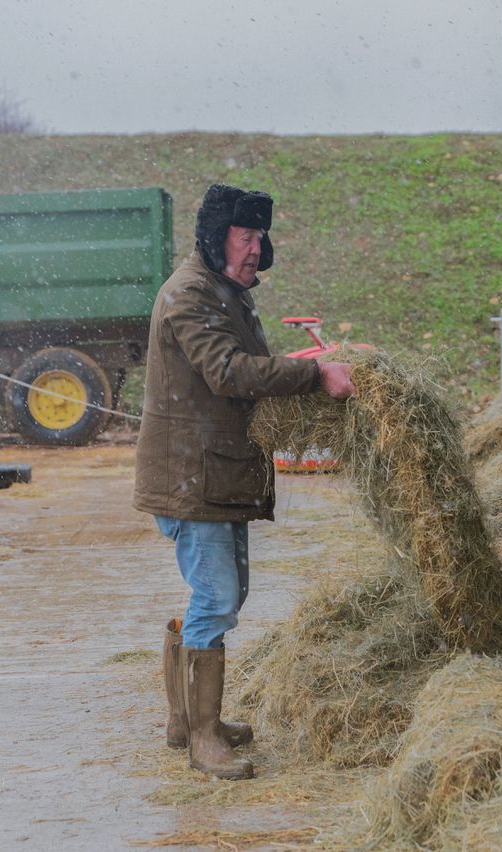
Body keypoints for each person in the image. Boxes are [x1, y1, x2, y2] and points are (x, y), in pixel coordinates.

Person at [132, 183, 356, 780]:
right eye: (244, 235)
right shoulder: (190, 294)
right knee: (217, 598)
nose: (256, 248)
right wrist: (312, 377)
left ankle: (187, 720)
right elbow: (229, 371)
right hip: (191, 475)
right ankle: (205, 738)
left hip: (218, 470)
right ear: (215, 236)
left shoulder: (227, 292)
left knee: (226, 595)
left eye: (260, 236)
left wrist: (303, 373)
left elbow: (246, 370)